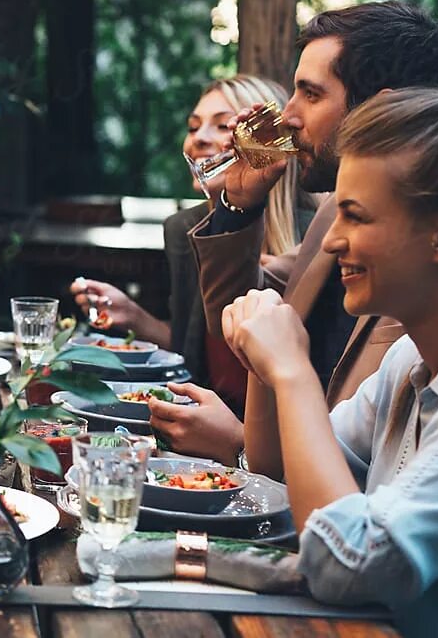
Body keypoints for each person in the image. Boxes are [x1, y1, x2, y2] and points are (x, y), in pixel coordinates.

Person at [223, 90, 438, 635]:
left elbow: (344, 562)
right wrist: (263, 364)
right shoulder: (410, 359)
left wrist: (293, 370)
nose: (333, 240)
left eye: (355, 216)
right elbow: (278, 477)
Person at [189, 1, 438, 425]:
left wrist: (239, 449)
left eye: (311, 94)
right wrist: (240, 205)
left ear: (380, 111)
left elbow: (372, 472)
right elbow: (239, 315)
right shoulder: (332, 212)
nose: (288, 115)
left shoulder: (435, 262)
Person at [71, 75, 313, 461]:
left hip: (274, 451)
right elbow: (195, 353)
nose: (198, 137)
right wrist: (133, 316)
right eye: (193, 126)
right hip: (191, 437)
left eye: (223, 125)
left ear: (268, 144)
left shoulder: (320, 241)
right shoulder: (185, 229)